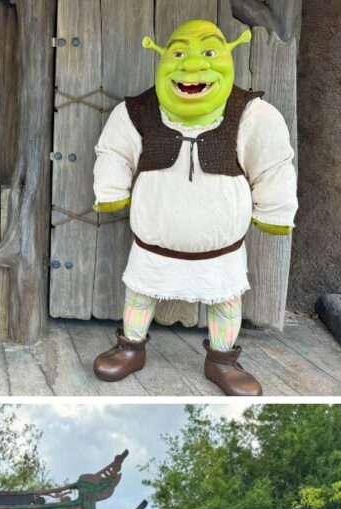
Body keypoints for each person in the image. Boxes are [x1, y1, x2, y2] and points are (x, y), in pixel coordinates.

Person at [89, 20, 295, 396]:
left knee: (226, 296)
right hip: (153, 244)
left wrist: (275, 212)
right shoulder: (138, 111)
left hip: (221, 249)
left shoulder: (251, 114)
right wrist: (111, 189)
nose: (193, 68)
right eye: (180, 54)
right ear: (164, 58)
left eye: (209, 53)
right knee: (140, 291)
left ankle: (222, 360)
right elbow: (114, 152)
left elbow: (273, 165)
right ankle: (131, 347)